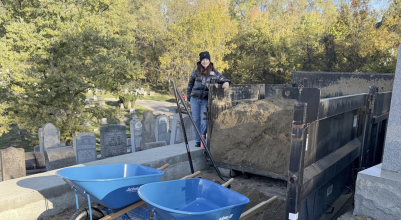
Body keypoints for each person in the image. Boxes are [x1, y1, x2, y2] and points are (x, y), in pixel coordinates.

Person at [187, 51, 230, 147]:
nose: (205, 61)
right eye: (203, 60)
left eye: (206, 60)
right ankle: (198, 140)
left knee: (204, 121)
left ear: (209, 61)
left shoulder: (214, 73)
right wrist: (188, 98)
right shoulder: (195, 72)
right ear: (200, 61)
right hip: (195, 99)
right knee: (196, 120)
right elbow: (190, 86)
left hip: (205, 100)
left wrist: (226, 82)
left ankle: (203, 137)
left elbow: (224, 79)